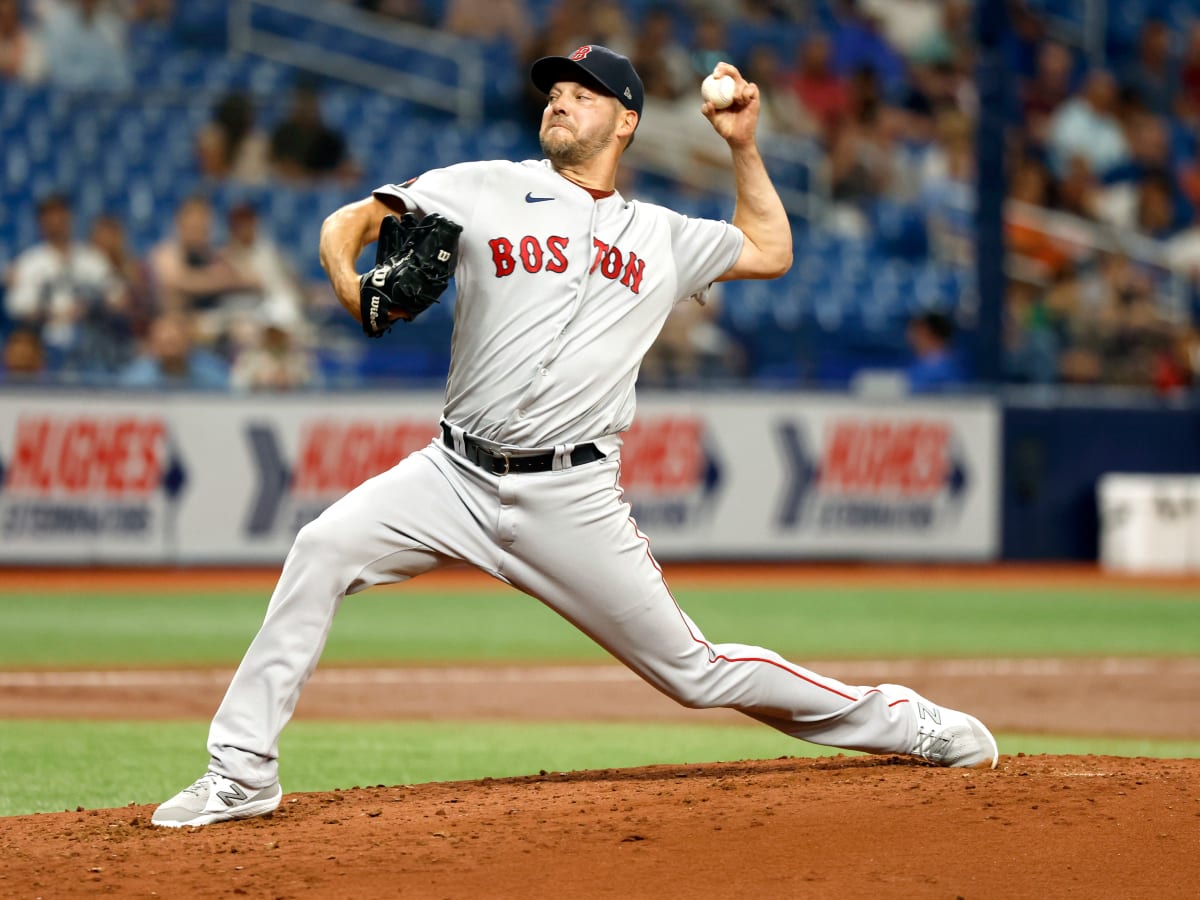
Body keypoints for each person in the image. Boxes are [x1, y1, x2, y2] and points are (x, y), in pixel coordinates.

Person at [151, 44, 998, 829]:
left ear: (625, 121)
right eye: (553, 91)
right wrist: (350, 283)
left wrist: (743, 145)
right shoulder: (479, 184)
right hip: (452, 475)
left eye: (581, 94)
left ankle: (900, 719)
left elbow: (771, 249)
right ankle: (242, 771)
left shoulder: (662, 234)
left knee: (694, 673)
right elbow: (348, 223)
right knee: (321, 547)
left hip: (572, 495)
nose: (559, 101)